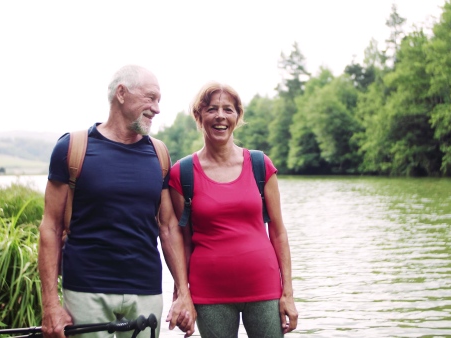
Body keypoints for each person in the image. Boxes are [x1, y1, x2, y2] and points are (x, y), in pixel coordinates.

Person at [38, 65, 196, 338]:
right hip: (85, 291)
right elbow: (50, 228)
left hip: (146, 291)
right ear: (121, 93)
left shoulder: (159, 154)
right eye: (151, 98)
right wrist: (50, 303)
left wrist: (183, 292)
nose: (157, 108)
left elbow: (168, 227)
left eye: (159, 100)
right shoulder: (72, 148)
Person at [168, 82, 298, 337]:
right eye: (211, 109)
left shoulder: (260, 164)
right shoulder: (182, 174)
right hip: (209, 292)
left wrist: (288, 294)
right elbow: (182, 241)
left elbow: (279, 232)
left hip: (264, 286)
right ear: (199, 116)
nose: (220, 116)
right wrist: (182, 294)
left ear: (237, 117)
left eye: (228, 109)